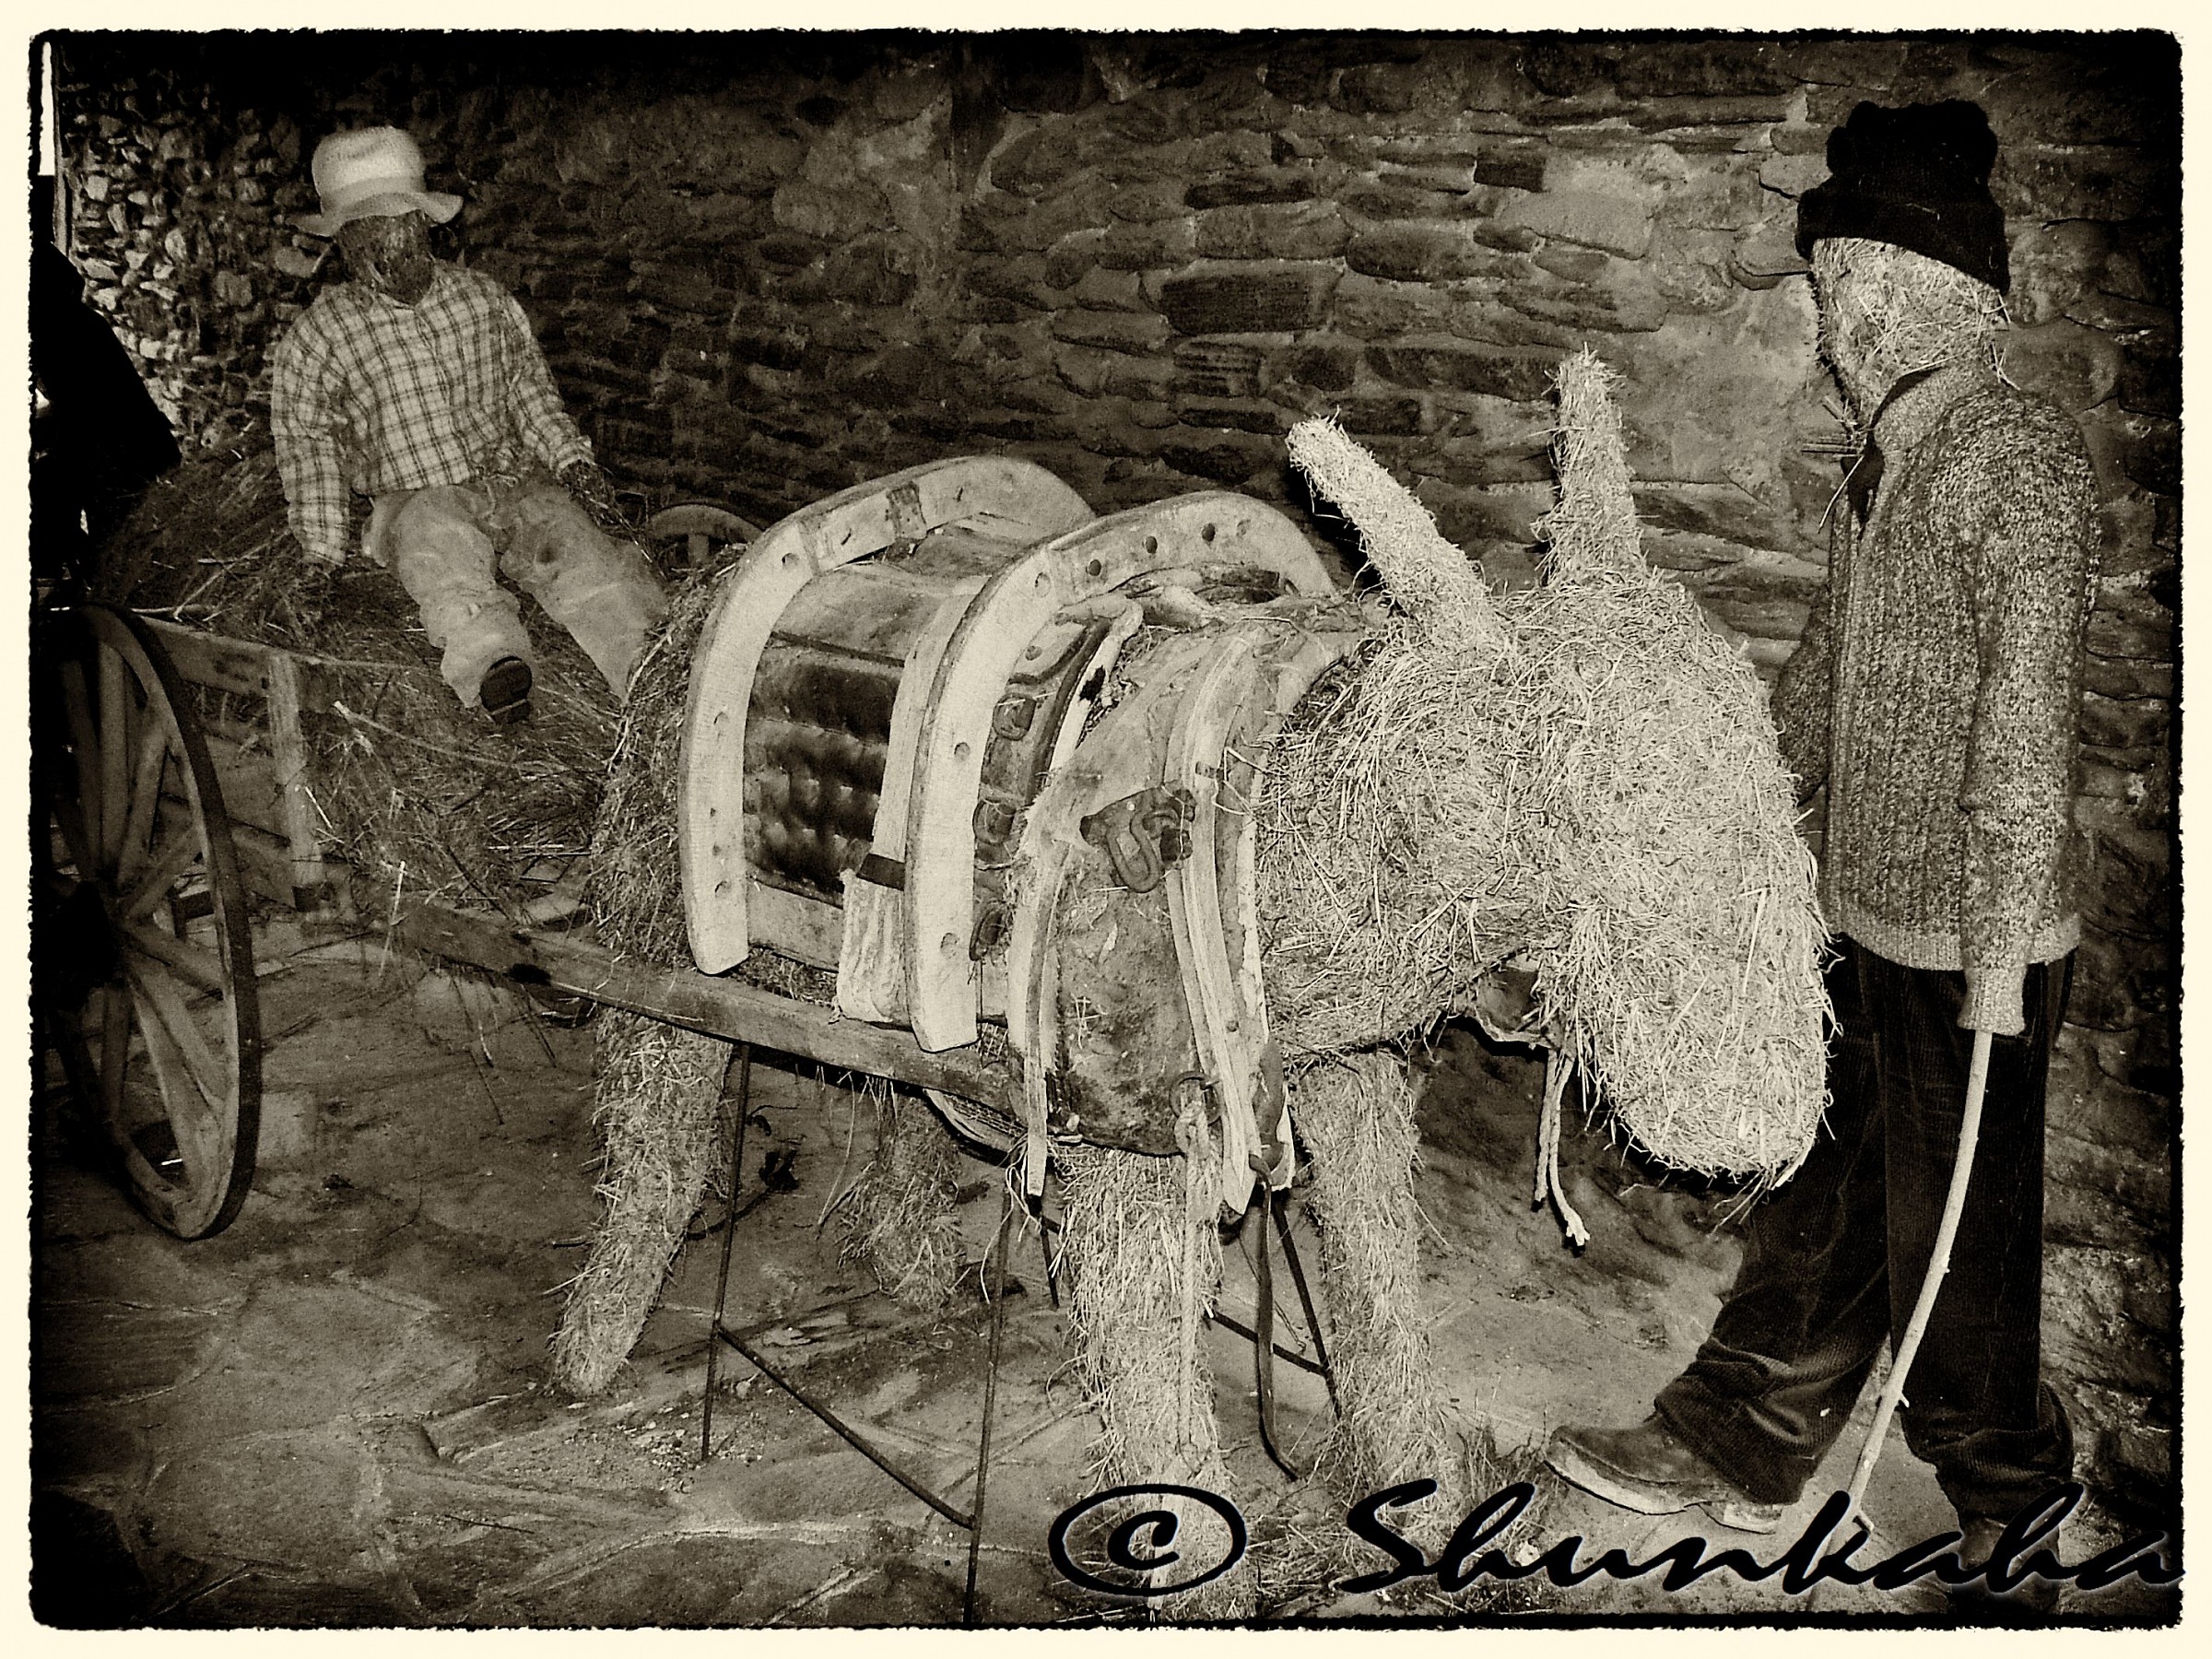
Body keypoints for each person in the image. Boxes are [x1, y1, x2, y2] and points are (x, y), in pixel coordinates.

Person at [1546, 100, 2099, 1619]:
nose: (1828, 317)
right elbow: (1827, 668)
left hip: (1974, 938)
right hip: (1868, 910)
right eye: (1827, 285)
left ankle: (2013, 1511)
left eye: (1842, 283)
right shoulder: (1886, 461)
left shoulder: (2017, 463)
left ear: (1916, 295)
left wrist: (1998, 966)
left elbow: (2024, 738)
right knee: (1827, 1202)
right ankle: (1739, 1430)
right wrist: (1747, 803)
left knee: (1962, 1252)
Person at [271, 126, 666, 722]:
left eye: (401, 226)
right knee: (443, 564)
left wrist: (572, 463)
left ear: (426, 224)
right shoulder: (319, 337)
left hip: (514, 481)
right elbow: (310, 450)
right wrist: (320, 556)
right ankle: (494, 665)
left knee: (585, 555)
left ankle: (648, 670)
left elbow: (528, 392)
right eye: (367, 231)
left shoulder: (484, 301)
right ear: (342, 241)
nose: (387, 246)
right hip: (415, 498)